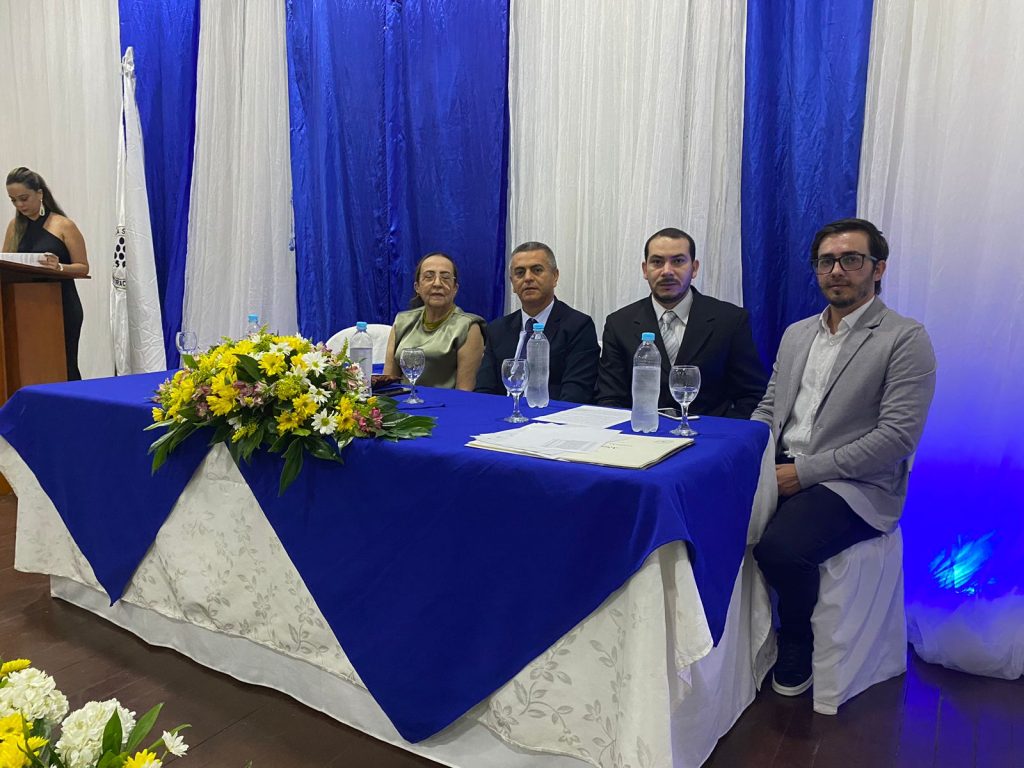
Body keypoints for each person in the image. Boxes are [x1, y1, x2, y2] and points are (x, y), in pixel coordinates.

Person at [751, 218, 936, 697]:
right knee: (707, 520)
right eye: (826, 261)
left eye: (851, 259)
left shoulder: (904, 338)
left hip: (856, 485)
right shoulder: (797, 335)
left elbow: (895, 438)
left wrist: (803, 473)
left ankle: (797, 640)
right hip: (781, 465)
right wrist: (747, 452)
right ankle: (733, 648)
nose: (837, 271)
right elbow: (770, 408)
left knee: (780, 548)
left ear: (878, 268)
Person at [596, 227, 767, 417]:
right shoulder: (620, 324)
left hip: (710, 431)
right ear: (645, 270)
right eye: (657, 262)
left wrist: (721, 431)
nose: (667, 271)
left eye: (678, 261)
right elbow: (609, 398)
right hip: (642, 431)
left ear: (694, 268)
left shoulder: (730, 320)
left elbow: (752, 395)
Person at [475, 241, 599, 403]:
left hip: (553, 415)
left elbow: (576, 393)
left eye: (537, 270)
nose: (528, 278)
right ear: (512, 283)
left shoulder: (578, 326)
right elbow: (484, 390)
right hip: (503, 414)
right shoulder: (497, 329)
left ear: (555, 276)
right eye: (520, 273)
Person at [4, 167, 89, 380]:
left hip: (61, 304)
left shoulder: (63, 225)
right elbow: (5, 265)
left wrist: (59, 267)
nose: (19, 205)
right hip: (24, 307)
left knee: (64, 363)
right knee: (29, 366)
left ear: (40, 193)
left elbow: (83, 267)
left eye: (24, 198)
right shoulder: (14, 228)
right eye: (13, 201)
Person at [384, 252, 485, 390]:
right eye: (428, 277)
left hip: (446, 403)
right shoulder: (402, 321)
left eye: (445, 277)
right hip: (401, 401)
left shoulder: (469, 327)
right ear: (417, 287)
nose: (437, 283)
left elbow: (465, 391)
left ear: (455, 288)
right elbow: (388, 383)